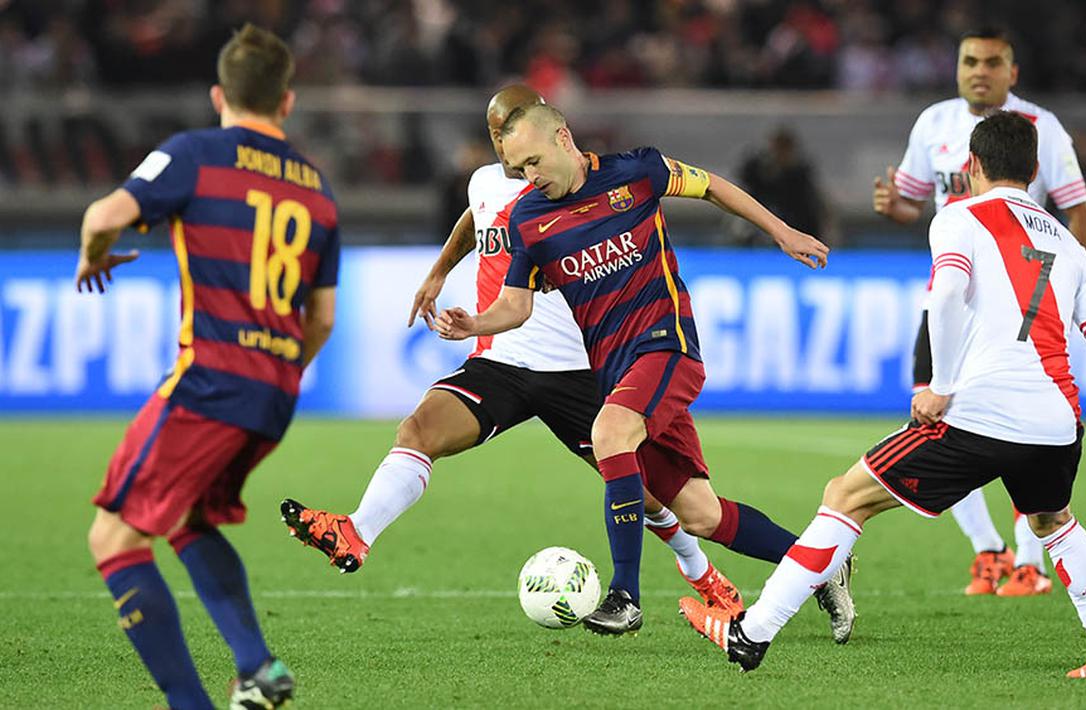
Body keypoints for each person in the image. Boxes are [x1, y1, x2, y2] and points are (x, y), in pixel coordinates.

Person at [682, 111, 1086, 680]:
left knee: (844, 498)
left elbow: (946, 293)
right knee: (1053, 521)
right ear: (1035, 170)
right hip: (1055, 421)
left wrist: (942, 386)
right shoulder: (1069, 243)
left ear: (971, 166)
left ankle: (749, 635)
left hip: (979, 412)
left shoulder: (960, 217)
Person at [280, 85, 744, 616]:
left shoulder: (564, 186)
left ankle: (709, 580)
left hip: (578, 370)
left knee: (652, 495)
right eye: (493, 134)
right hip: (503, 360)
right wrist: (439, 270)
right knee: (419, 430)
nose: (501, 145)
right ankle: (356, 532)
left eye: (507, 131)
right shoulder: (488, 182)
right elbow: (473, 219)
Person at [433, 103, 849, 639]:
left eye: (534, 161)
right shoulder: (529, 219)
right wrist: (476, 324)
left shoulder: (637, 172)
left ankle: (625, 595)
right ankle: (820, 564)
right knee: (700, 515)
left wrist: (781, 231)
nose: (530, 176)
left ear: (563, 137)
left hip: (666, 345)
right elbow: (516, 306)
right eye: (520, 169)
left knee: (609, 432)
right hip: (616, 370)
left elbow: (714, 186)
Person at [80, 24, 338, 710]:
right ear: (286, 103)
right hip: (276, 391)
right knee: (187, 516)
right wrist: (278, 373)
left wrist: (92, 251)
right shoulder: (317, 190)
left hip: (211, 381)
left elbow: (104, 213)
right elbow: (323, 322)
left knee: (112, 536)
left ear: (219, 95)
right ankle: (256, 665)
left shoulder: (195, 153)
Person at [873, 27, 1086, 597]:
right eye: (970, 60)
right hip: (950, 297)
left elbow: (1079, 214)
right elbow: (911, 203)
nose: (980, 71)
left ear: (1012, 72)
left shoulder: (1042, 129)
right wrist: (892, 208)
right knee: (937, 417)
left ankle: (1030, 562)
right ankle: (988, 552)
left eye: (993, 62)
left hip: (1015, 308)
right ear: (956, 67)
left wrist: (1069, 290)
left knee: (1025, 424)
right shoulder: (933, 123)